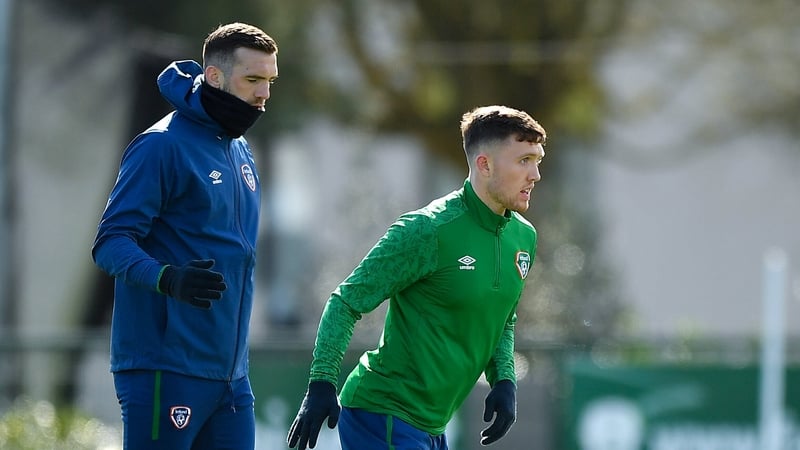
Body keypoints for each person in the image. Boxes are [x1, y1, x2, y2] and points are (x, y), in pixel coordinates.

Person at [287, 105, 547, 449]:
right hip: (383, 414)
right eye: (524, 160)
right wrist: (321, 383)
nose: (536, 175)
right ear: (484, 164)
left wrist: (504, 380)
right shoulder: (427, 230)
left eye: (538, 161)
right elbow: (345, 301)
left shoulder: (523, 237)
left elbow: (504, 317)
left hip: (430, 424)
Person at [91, 22, 278, 450]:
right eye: (253, 79)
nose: (264, 93)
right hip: (166, 366)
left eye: (269, 81)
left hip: (231, 378)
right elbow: (110, 242)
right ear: (215, 77)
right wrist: (167, 278)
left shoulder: (240, 148)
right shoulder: (161, 145)